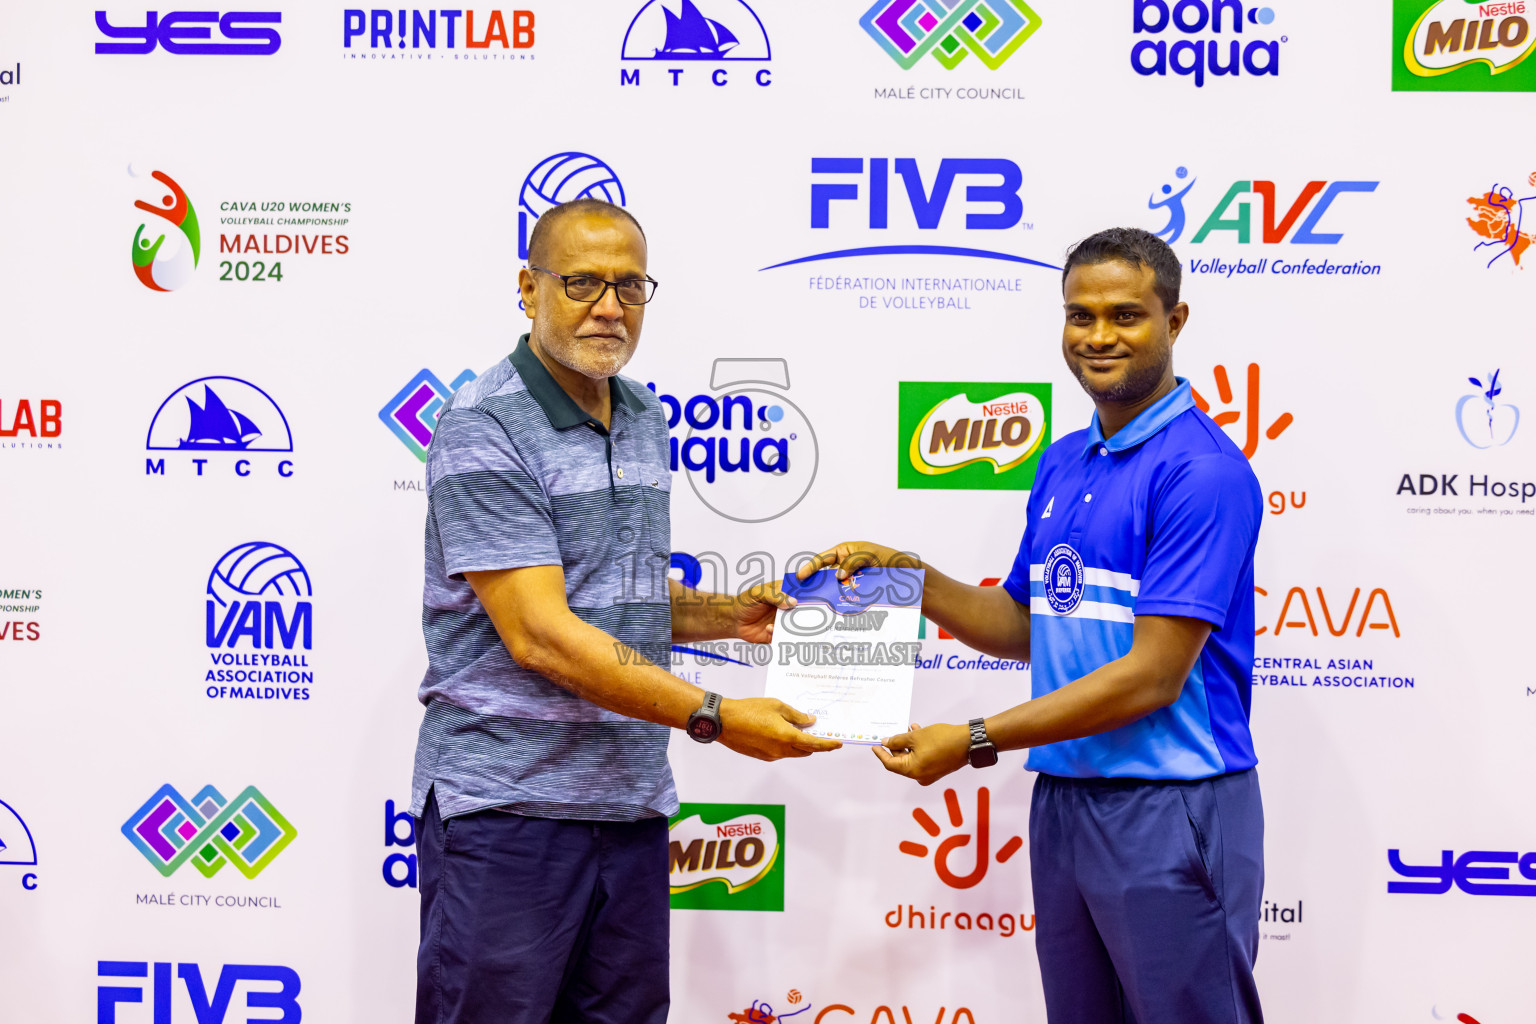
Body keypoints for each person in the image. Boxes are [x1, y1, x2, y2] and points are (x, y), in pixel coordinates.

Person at [804, 227, 1266, 1024]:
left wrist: (975, 738)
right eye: (1078, 315)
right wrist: (910, 578)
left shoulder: (1204, 472)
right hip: (1067, 802)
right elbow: (1024, 623)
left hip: (1172, 805)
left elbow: (1153, 676)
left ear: (1176, 321)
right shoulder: (1062, 461)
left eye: (1126, 315)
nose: (1097, 336)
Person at [410, 197, 839, 1024]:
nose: (610, 306)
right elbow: (543, 635)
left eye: (629, 285)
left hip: (630, 809)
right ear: (528, 289)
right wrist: (715, 715)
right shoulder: (484, 424)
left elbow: (611, 590)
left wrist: (726, 616)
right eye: (581, 283)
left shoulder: (640, 413)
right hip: (509, 814)